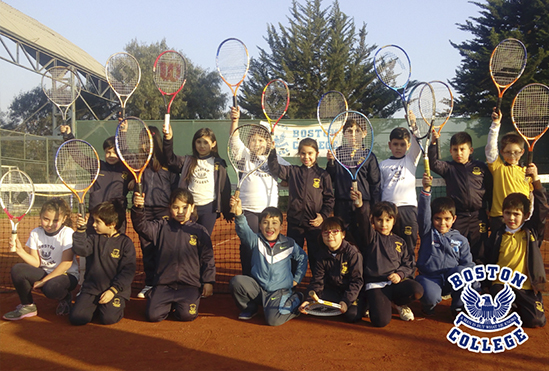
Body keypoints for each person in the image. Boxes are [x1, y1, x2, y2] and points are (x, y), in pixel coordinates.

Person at [131, 188, 215, 322]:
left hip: (189, 285)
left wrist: (208, 281)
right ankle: (159, 297)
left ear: (192, 207)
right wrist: (138, 209)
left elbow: (207, 258)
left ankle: (182, 303)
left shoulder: (200, 231)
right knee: (153, 316)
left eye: (184, 207)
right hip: (164, 284)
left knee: (187, 315)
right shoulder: (161, 227)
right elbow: (142, 227)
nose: (180, 212)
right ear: (170, 208)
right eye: (176, 207)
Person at [229, 106, 291, 276]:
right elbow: (234, 139)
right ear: (249, 142)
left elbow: (288, 177)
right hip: (248, 210)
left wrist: (284, 180)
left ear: (268, 143)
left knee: (268, 246)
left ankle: (265, 278)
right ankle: (248, 279)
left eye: (261, 140)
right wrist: (235, 121)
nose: (257, 143)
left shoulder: (275, 158)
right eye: (254, 140)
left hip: (269, 212)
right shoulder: (244, 156)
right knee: (248, 245)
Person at [483, 163, 546, 328]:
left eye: (516, 214)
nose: (511, 218)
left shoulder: (531, 232)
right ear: (502, 214)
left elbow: (543, 208)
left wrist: (536, 180)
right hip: (502, 285)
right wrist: (486, 286)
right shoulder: (497, 235)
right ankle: (509, 307)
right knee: (501, 317)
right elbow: (487, 259)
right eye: (508, 213)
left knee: (536, 321)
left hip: (525, 287)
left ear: (525, 215)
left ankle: (521, 306)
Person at [228, 195, 307, 326]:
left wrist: (296, 279)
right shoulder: (255, 240)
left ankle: (296, 298)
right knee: (237, 282)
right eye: (265, 222)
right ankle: (250, 309)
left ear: (281, 226)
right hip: (258, 289)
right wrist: (239, 214)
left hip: (279, 291)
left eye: (274, 223)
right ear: (259, 225)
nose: (270, 227)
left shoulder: (289, 243)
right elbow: (243, 230)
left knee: (273, 320)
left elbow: (302, 257)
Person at [353, 190, 423, 327]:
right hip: (375, 286)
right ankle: (371, 301)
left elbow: (408, 264)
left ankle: (398, 303)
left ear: (394, 221)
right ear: (373, 221)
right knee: (380, 321)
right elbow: (363, 223)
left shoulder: (400, 241)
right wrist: (360, 206)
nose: (383, 224)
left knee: (417, 290)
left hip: (395, 284)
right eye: (379, 220)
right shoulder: (370, 237)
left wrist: (400, 274)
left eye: (388, 220)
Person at [3, 198, 79, 320]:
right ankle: (28, 306)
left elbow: (66, 264)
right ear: (40, 216)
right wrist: (20, 251)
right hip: (45, 273)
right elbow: (36, 262)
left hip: (66, 275)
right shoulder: (35, 233)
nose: (50, 224)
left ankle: (65, 297)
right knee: (17, 269)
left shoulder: (67, 233)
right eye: (46, 219)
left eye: (55, 220)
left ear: (64, 219)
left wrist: (44, 281)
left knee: (51, 288)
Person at [268, 137, 334, 274]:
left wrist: (322, 216)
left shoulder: (323, 175)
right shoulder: (293, 171)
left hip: (314, 225)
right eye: (303, 153)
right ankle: (292, 285)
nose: (306, 157)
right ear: (299, 154)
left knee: (317, 257)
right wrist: (272, 150)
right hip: (295, 223)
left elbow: (329, 199)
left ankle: (317, 287)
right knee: (292, 258)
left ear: (316, 153)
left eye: (310, 153)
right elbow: (275, 167)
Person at [415, 173, 475, 317]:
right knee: (431, 296)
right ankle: (427, 304)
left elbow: (468, 265)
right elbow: (423, 213)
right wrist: (426, 191)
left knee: (463, 273)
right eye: (438, 219)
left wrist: (474, 285)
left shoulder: (461, 240)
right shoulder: (427, 232)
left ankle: (458, 306)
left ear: (454, 219)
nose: (442, 223)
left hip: (450, 279)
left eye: (447, 219)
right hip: (430, 278)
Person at [429, 130, 492, 263]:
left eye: (462, 149)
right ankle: (457, 279)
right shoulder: (448, 167)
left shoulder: (480, 167)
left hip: (478, 217)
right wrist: (433, 143)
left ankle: (481, 282)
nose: (459, 153)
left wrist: (490, 209)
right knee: (455, 249)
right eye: (455, 149)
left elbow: (490, 189)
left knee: (480, 250)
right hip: (459, 217)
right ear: (451, 151)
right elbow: (433, 163)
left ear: (471, 150)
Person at [69, 200, 136, 326]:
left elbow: (128, 271)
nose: (93, 225)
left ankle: (115, 307)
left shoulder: (125, 243)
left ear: (112, 224)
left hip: (115, 290)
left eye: (98, 222)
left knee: (108, 319)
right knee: (77, 318)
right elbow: (81, 250)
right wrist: (80, 231)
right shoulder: (93, 238)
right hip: (92, 288)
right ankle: (92, 307)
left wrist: (113, 290)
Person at [163, 125, 232, 235]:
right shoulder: (188, 161)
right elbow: (170, 159)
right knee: (186, 238)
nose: (202, 146)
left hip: (209, 209)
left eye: (205, 142)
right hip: (189, 208)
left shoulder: (218, 163)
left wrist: (227, 210)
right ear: (194, 144)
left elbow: (225, 187)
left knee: (203, 239)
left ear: (213, 144)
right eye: (198, 142)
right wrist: (168, 139)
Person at [136, 125, 180, 298]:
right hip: (144, 211)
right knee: (147, 249)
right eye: (143, 141)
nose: (146, 145)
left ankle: (166, 283)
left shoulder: (167, 163)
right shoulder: (137, 163)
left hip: (163, 211)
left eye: (150, 141)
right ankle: (149, 284)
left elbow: (175, 187)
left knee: (164, 249)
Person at [326, 118, 380, 245]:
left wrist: (374, 209)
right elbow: (330, 178)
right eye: (350, 131)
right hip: (342, 205)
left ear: (364, 134)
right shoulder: (337, 154)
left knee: (365, 239)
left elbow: (375, 184)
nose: (353, 135)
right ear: (344, 134)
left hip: (363, 205)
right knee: (344, 240)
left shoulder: (369, 156)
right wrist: (331, 163)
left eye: (357, 131)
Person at [299, 217, 363, 322]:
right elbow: (317, 280)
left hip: (350, 293)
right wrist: (309, 300)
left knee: (352, 315)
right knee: (313, 307)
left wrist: (346, 301)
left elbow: (356, 281)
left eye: (335, 232)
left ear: (343, 234)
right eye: (326, 233)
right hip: (332, 291)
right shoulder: (321, 254)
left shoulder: (353, 253)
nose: (330, 236)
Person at [485, 109, 531, 232]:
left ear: (522, 152)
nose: (512, 155)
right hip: (499, 218)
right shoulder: (498, 167)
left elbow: (531, 196)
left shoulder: (527, 172)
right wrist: (495, 124)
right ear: (502, 152)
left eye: (516, 152)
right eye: (508, 152)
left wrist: (528, 215)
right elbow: (490, 148)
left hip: (521, 219)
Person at [379, 126, 421, 259]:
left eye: (402, 144)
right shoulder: (383, 165)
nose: (398, 147)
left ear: (408, 146)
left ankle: (407, 277)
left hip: (408, 210)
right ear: (389, 145)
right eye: (395, 144)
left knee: (408, 247)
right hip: (389, 211)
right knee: (390, 245)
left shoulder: (411, 160)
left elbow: (418, 144)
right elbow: (380, 188)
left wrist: (414, 127)